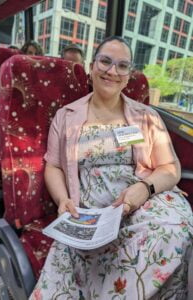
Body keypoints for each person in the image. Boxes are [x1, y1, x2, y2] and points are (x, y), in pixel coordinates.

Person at [29, 36, 193, 300]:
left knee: (175, 227)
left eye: (122, 66)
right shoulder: (66, 116)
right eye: (105, 61)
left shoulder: (147, 116)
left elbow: (168, 167)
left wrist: (144, 188)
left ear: (128, 76)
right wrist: (63, 200)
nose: (112, 71)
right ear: (92, 67)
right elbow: (54, 166)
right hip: (93, 209)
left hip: (142, 196)